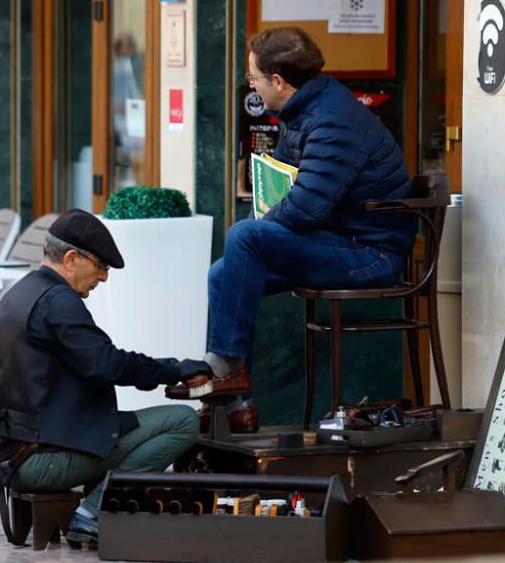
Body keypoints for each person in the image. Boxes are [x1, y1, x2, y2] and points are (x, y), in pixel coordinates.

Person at [168, 27, 415, 431]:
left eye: (253, 78)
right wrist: (262, 220)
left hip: (369, 255)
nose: (252, 86)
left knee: (244, 238)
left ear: (278, 81)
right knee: (223, 270)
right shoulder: (305, 111)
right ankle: (237, 404)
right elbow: (281, 189)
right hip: (337, 242)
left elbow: (305, 207)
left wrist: (259, 225)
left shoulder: (332, 121)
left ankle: (225, 368)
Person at [0, 209, 209, 546]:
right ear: (72, 258)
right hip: (41, 459)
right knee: (182, 421)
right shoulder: (58, 301)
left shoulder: (21, 293)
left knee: (126, 423)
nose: (104, 278)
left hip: (20, 450)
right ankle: (93, 511)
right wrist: (175, 369)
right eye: (101, 266)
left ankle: (95, 502)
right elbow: (107, 364)